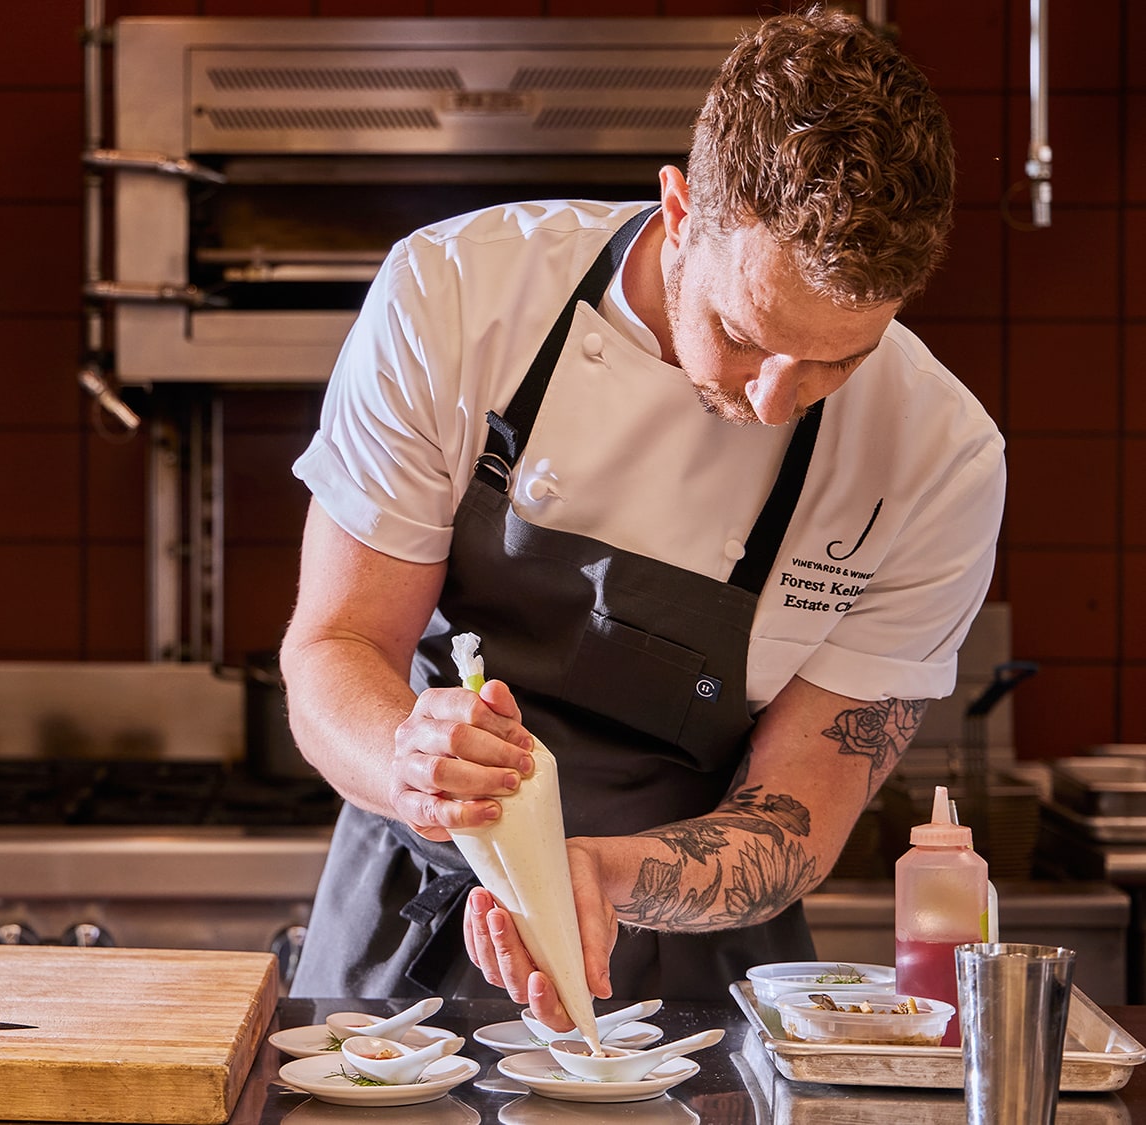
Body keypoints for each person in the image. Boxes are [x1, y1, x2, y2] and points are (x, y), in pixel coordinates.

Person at [278, 6, 1005, 1025]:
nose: (774, 402)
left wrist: (601, 879)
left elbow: (796, 819)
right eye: (746, 338)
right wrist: (409, 760)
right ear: (678, 209)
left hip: (683, 957)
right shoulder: (455, 296)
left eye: (840, 359)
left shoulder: (938, 458)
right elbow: (336, 647)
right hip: (407, 927)